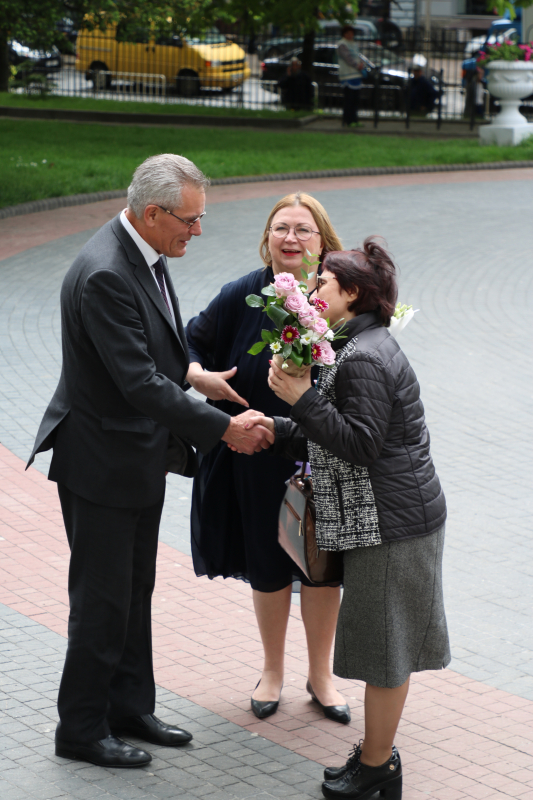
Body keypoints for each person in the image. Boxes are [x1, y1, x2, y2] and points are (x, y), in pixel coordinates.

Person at [26, 154, 273, 769]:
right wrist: (224, 430)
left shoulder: (143, 252)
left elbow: (143, 353)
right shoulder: (108, 272)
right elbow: (137, 382)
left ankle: (129, 707)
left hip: (133, 457)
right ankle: (81, 729)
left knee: (135, 589)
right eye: (189, 220)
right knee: (102, 600)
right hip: (102, 464)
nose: (198, 231)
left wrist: (194, 375)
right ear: (153, 212)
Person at [265, 239, 450, 800]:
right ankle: (375, 759)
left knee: (386, 652)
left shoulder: (365, 355)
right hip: (389, 519)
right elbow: (341, 427)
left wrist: (299, 400)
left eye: (323, 282)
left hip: (395, 527)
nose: (313, 289)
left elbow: (361, 445)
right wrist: (278, 426)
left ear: (352, 293)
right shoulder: (356, 343)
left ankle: (377, 769)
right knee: (381, 646)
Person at [186, 192, 351, 723]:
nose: (291, 239)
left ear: (322, 241)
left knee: (323, 569)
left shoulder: (341, 298)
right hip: (257, 453)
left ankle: (321, 674)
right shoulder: (242, 295)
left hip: (326, 455)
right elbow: (184, 342)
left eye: (303, 230)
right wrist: (197, 376)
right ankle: (273, 670)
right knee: (267, 560)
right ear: (267, 236)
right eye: (281, 228)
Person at [337, 24, 366, 127]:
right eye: (348, 33)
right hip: (347, 75)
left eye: (352, 33)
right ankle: (348, 120)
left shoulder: (354, 44)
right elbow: (347, 58)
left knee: (355, 100)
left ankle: (354, 119)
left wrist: (361, 64)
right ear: (344, 34)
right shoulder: (342, 44)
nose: (350, 35)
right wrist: (357, 65)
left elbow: (357, 56)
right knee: (349, 100)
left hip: (356, 75)